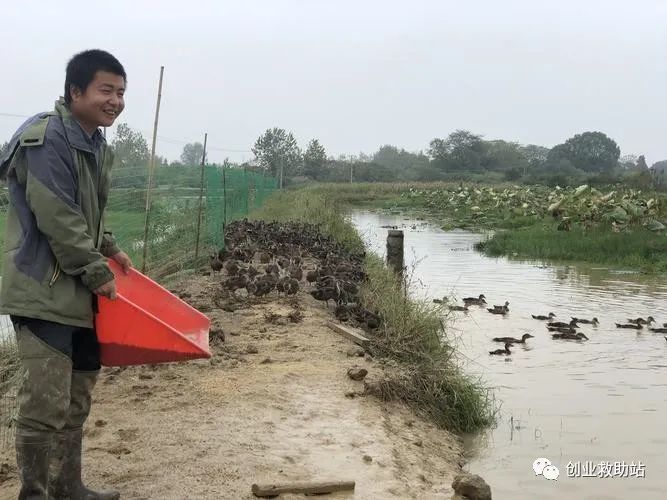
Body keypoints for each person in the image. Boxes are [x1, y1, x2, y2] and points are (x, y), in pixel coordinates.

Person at [0, 49, 132, 500]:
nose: (114, 100)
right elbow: (57, 214)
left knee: (78, 392)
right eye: (105, 90)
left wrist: (109, 245)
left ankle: (68, 486)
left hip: (76, 292)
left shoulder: (93, 143)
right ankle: (34, 495)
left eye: (120, 92)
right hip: (44, 288)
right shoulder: (48, 138)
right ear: (75, 91)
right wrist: (96, 271)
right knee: (45, 402)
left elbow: (87, 212)